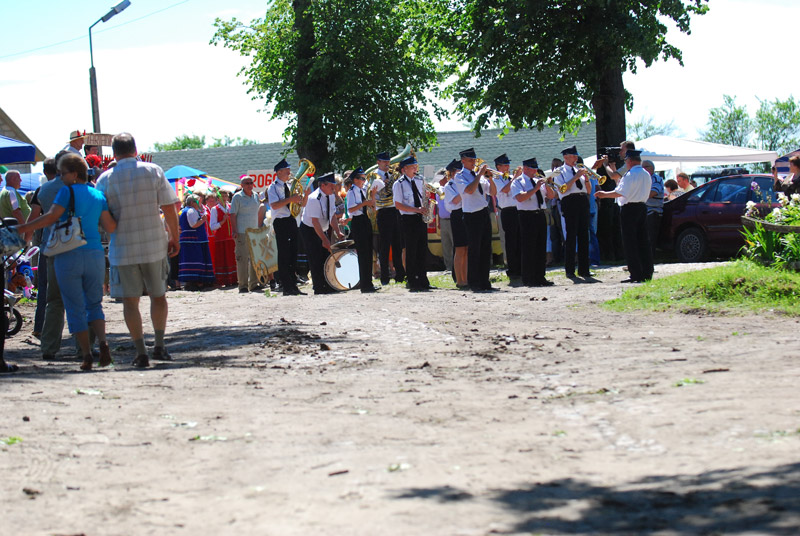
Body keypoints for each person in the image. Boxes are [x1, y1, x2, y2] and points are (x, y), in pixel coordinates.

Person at [16, 153, 116, 371]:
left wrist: (25, 229)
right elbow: (110, 226)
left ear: (71, 172)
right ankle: (95, 344)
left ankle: (65, 349)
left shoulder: (56, 190)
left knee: (62, 303)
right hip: (93, 251)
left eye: (62, 172)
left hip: (61, 252)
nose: (60, 176)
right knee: (92, 303)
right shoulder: (96, 194)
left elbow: (47, 217)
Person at [95, 132, 180, 369]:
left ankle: (141, 350)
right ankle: (160, 345)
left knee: (130, 302)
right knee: (158, 295)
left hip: (123, 248)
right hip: (154, 243)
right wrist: (175, 236)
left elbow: (101, 215)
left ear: (114, 153)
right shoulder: (153, 171)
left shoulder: (105, 179)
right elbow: (170, 207)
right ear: (135, 149)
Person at [595, 149, 654, 283]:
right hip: (642, 207)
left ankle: (636, 273)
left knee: (630, 242)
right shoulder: (646, 174)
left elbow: (620, 192)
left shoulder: (630, 174)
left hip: (630, 209)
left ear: (630, 160)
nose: (626, 163)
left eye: (626, 161)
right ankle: (647, 271)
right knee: (643, 241)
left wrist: (604, 194)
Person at [454, 148, 497, 292]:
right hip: (471, 215)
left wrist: (490, 177)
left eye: (474, 160)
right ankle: (474, 282)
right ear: (463, 161)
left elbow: (493, 193)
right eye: (471, 160)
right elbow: (470, 190)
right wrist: (479, 174)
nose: (474, 162)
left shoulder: (480, 176)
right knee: (474, 249)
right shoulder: (459, 176)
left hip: (484, 212)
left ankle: (484, 281)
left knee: (486, 248)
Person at [27, 157, 58, 338]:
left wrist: (27, 238)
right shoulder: (68, 189)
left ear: (45, 172)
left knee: (45, 290)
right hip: (70, 242)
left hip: (47, 243)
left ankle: (39, 327)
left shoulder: (42, 190)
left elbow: (34, 217)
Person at [268, 159, 308, 296]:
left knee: (293, 253)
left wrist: (304, 196)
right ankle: (286, 287)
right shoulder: (272, 187)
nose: (289, 173)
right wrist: (291, 199)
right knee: (284, 254)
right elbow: (274, 205)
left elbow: (301, 204)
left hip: (291, 220)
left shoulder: (290, 185)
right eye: (286, 170)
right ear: (279, 172)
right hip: (280, 222)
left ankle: (293, 285)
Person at [512, 158, 554, 287]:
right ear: (525, 168)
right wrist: (535, 188)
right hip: (527, 215)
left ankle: (540, 276)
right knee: (529, 247)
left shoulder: (538, 181)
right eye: (532, 168)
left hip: (540, 214)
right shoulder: (518, 182)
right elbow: (520, 198)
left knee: (541, 247)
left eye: (536, 168)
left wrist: (547, 185)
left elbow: (551, 196)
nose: (535, 171)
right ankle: (528, 278)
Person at [393, 156, 431, 291]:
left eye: (416, 167)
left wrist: (427, 202)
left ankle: (423, 279)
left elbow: (423, 198)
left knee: (422, 249)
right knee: (411, 250)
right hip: (408, 219)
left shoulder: (420, 181)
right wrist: (416, 209)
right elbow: (398, 205)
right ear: (404, 169)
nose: (416, 169)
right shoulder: (399, 184)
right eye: (412, 167)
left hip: (420, 218)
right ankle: (412, 279)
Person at [300, 172, 341, 294]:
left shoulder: (331, 195)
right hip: (310, 229)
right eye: (331, 186)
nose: (333, 189)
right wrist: (325, 240)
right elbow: (315, 222)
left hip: (321, 228)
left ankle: (327, 284)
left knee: (326, 256)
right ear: (323, 185)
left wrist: (338, 231)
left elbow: (332, 215)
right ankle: (318, 286)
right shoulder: (314, 199)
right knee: (315, 257)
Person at [554, 145, 591, 279]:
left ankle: (584, 269)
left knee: (584, 236)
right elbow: (562, 189)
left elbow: (588, 190)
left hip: (582, 200)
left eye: (576, 156)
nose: (576, 158)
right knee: (571, 236)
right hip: (569, 202)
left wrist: (586, 178)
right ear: (566, 157)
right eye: (573, 156)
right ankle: (569, 269)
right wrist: (576, 177)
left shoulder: (579, 170)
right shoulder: (559, 171)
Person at [371, 152, 405, 285]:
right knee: (385, 246)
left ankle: (400, 275)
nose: (387, 164)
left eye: (388, 161)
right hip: (383, 212)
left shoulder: (392, 175)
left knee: (398, 244)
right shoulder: (374, 176)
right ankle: (384, 276)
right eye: (384, 162)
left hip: (395, 210)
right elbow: (375, 194)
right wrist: (383, 185)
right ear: (378, 162)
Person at [345, 167, 377, 293]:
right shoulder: (352, 192)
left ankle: (368, 282)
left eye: (364, 178)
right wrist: (364, 204)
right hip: (358, 222)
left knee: (369, 252)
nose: (364, 180)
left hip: (365, 220)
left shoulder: (363, 190)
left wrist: (373, 196)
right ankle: (365, 284)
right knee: (363, 254)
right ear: (355, 180)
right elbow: (351, 210)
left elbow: (372, 207)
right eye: (361, 178)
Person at [229, 174, 261, 293]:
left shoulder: (255, 196)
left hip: (254, 231)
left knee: (254, 259)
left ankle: (254, 283)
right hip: (242, 232)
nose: (249, 185)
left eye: (251, 183)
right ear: (241, 185)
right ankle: (242, 285)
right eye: (246, 183)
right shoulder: (237, 197)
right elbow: (232, 214)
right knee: (242, 259)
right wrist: (234, 230)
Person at [178, 195, 215, 291]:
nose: (199, 204)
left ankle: (197, 281)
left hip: (193, 239)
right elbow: (193, 224)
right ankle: (192, 282)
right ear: (192, 203)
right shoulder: (190, 211)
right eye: (197, 202)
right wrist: (203, 220)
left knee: (196, 260)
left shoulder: (187, 211)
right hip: (192, 240)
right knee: (194, 261)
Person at [493, 154, 521, 281]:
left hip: (517, 209)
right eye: (505, 165)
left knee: (519, 240)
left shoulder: (510, 177)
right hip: (507, 211)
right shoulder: (496, 178)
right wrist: (515, 178)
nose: (508, 167)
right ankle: (513, 269)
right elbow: (504, 190)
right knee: (510, 241)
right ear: (498, 166)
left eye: (508, 164)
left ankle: (521, 267)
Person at [443, 160, 467, 288]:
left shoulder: (462, 183)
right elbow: (455, 201)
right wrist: (466, 190)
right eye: (458, 171)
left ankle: (466, 278)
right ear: (452, 173)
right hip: (457, 215)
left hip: (467, 212)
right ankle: (459, 279)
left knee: (467, 249)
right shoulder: (449, 186)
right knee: (460, 248)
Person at [206, 191, 237, 287]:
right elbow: (212, 226)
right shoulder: (215, 209)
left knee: (233, 259)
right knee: (223, 260)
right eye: (222, 196)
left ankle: (234, 279)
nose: (224, 198)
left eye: (225, 196)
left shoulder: (231, 207)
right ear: (218, 198)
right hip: (221, 239)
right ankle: (224, 280)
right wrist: (223, 221)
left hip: (231, 238)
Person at [642, 159, 664, 256]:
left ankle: (648, 261)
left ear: (652, 168)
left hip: (653, 212)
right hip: (643, 212)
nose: (643, 169)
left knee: (650, 238)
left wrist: (638, 196)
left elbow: (653, 193)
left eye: (646, 166)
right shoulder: (642, 179)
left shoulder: (656, 179)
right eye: (642, 167)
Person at [436, 169, 454, 273]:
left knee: (454, 243)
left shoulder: (449, 188)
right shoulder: (439, 191)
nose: (439, 181)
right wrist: (438, 220)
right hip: (443, 220)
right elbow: (439, 207)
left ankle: (456, 267)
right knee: (446, 245)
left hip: (451, 219)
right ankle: (448, 267)